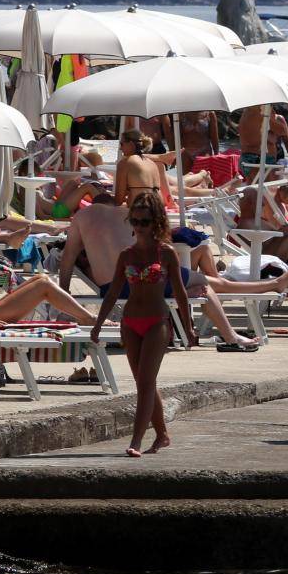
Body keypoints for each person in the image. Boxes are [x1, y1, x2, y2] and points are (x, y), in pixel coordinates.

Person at [60, 195, 288, 349]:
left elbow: (68, 258)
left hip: (113, 287)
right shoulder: (126, 214)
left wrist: (64, 295)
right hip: (144, 280)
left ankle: (271, 287)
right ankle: (237, 328)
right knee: (209, 283)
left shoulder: (82, 217)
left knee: (210, 283)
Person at [90, 192, 196, 458]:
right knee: (144, 383)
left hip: (156, 322)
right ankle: (162, 435)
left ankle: (136, 440)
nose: (138, 227)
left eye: (145, 221)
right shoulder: (126, 255)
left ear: (156, 221)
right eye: (135, 221)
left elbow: (181, 294)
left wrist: (189, 327)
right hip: (130, 322)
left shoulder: (167, 253)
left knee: (146, 382)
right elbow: (113, 292)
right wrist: (98, 325)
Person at [238, 105, 288, 177]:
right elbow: (282, 131)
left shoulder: (246, 113)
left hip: (246, 158)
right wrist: (271, 116)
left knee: (253, 185)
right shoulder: (262, 113)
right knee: (268, 186)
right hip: (260, 159)